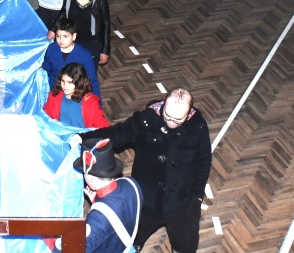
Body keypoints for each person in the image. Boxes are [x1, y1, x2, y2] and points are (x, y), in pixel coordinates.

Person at [75, 88, 211, 253]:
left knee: (186, 248)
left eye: (178, 120)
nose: (171, 123)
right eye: (167, 116)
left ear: (189, 113)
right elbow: (116, 134)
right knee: (130, 242)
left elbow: (203, 160)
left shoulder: (198, 126)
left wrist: (197, 194)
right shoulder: (145, 120)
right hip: (146, 202)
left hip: (183, 203)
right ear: (162, 105)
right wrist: (84, 138)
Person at [72, 137, 141, 253]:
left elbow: (79, 249)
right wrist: (97, 201)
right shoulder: (131, 183)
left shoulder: (97, 218)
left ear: (91, 179)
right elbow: (119, 211)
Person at [59, 0, 111, 73]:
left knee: (89, 74)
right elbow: (63, 12)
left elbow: (106, 24)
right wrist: (52, 29)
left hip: (92, 43)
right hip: (73, 42)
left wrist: (105, 50)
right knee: (72, 73)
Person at [42, 18, 102, 98]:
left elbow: (92, 80)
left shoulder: (84, 55)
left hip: (75, 96)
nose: (61, 40)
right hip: (54, 93)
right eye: (58, 36)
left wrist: (97, 103)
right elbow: (46, 70)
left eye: (65, 36)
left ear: (74, 36)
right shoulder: (51, 49)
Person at [45, 63, 109, 129]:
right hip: (59, 135)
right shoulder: (54, 96)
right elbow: (45, 117)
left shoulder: (90, 102)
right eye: (63, 81)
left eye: (70, 82)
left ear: (79, 82)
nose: (65, 85)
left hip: (81, 136)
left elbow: (103, 127)